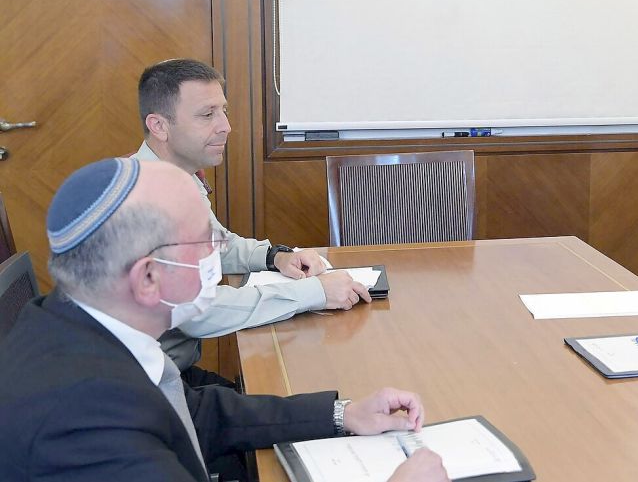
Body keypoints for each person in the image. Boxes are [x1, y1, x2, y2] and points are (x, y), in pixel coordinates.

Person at [0, 158, 448, 482]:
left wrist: (342, 414)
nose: (217, 252)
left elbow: (193, 412)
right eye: (205, 241)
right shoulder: (87, 427)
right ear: (150, 277)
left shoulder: (72, 320)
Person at [133, 58, 371, 380]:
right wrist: (314, 293)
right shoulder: (147, 198)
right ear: (159, 125)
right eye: (207, 115)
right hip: (149, 386)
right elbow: (197, 310)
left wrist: (275, 257)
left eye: (223, 111)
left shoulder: (175, 178)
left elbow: (216, 244)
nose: (225, 126)